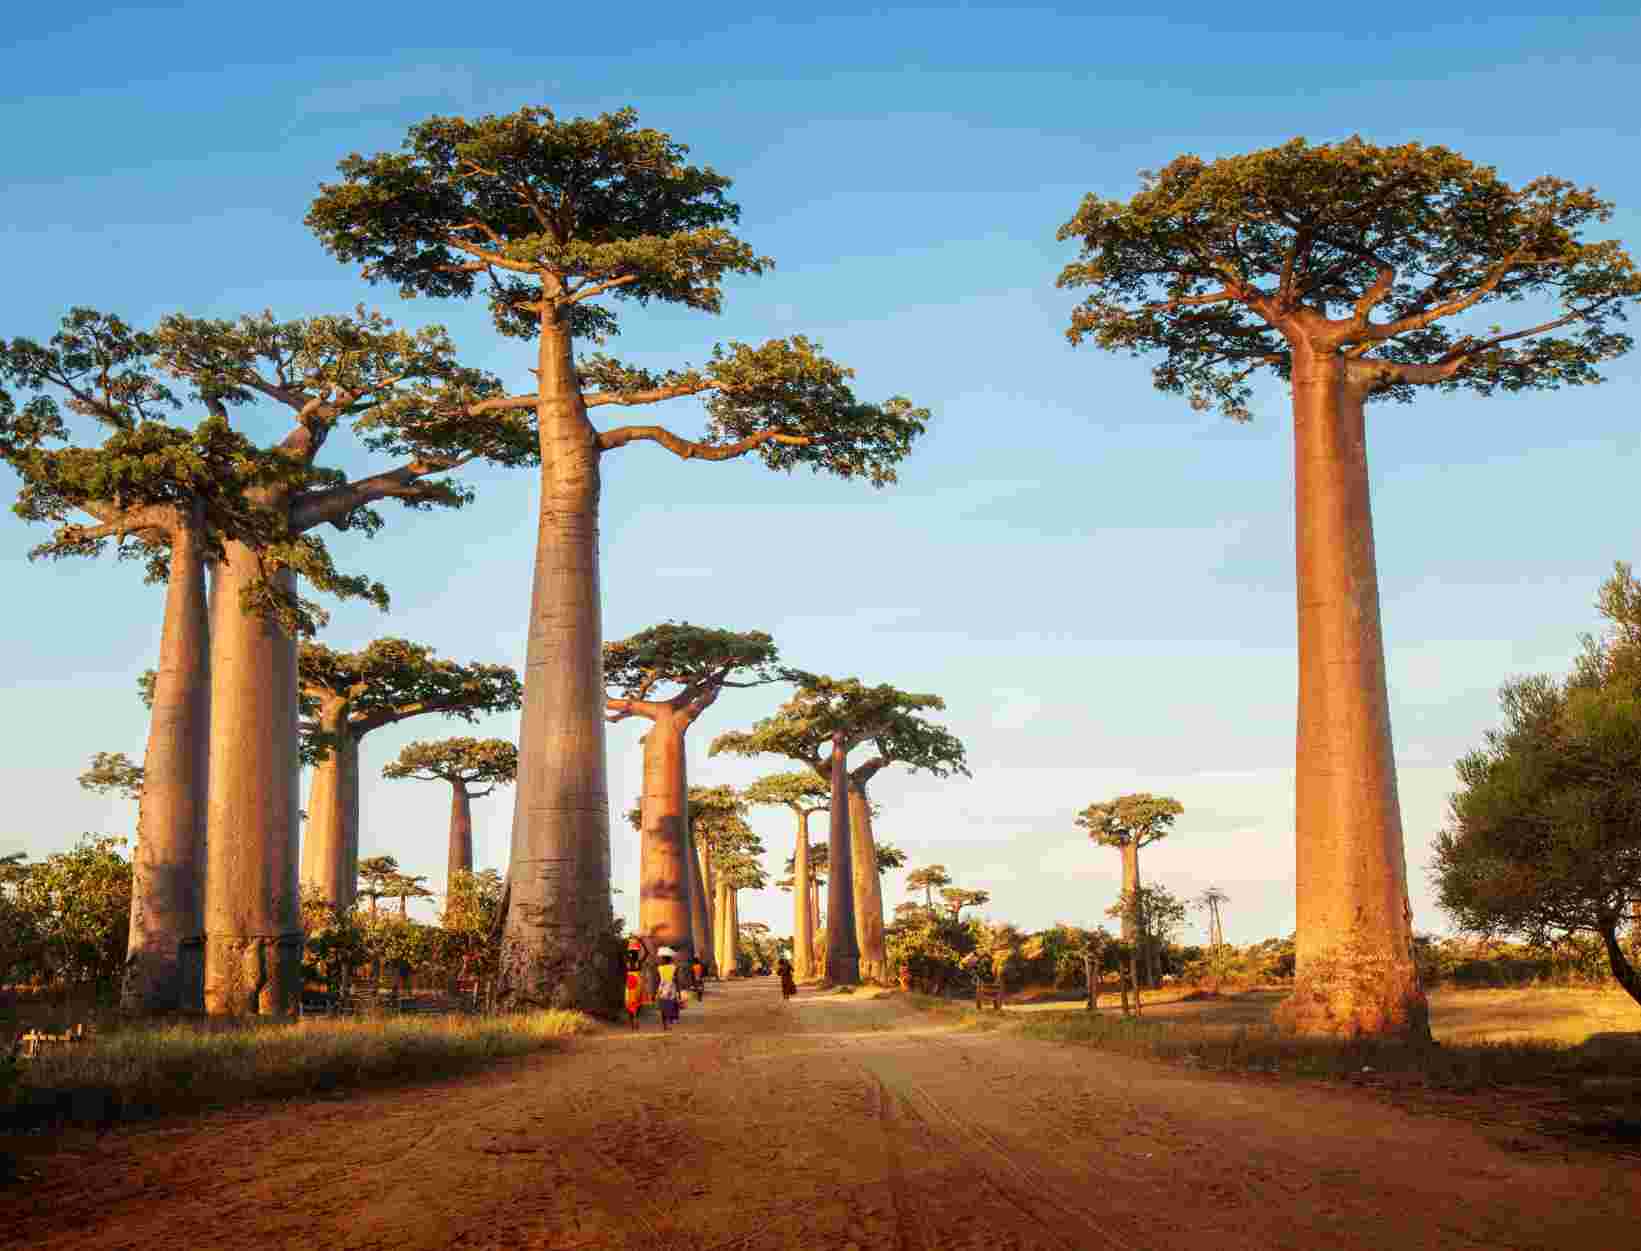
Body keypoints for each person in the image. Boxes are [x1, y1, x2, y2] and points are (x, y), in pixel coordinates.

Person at [622, 936, 650, 1031]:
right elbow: (647, 953)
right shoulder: (639, 962)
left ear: (630, 954)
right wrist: (642, 942)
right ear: (637, 954)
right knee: (637, 1003)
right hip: (638, 982)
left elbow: (622, 954)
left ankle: (632, 1022)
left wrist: (626, 942)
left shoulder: (627, 963)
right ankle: (636, 1019)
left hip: (630, 983)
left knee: (629, 1003)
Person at [655, 947, 682, 1029]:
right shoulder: (675, 968)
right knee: (671, 1006)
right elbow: (677, 980)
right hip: (671, 989)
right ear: (670, 959)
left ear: (663, 959)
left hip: (662, 989)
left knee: (663, 1008)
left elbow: (657, 980)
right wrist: (679, 992)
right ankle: (670, 1022)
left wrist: (654, 992)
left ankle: (665, 1025)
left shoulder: (659, 968)